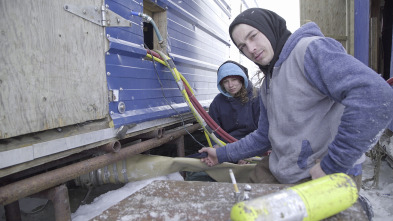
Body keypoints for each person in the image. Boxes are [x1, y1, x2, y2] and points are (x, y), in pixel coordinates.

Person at [199, 8, 393, 190]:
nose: (251, 48)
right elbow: (264, 135)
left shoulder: (310, 51)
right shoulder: (269, 81)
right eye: (243, 46)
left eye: (253, 36)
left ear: (268, 28)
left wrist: (334, 163)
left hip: (322, 176)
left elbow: (375, 96)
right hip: (283, 169)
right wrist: (221, 154)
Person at [185, 61, 260, 182]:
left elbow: (263, 132)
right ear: (221, 84)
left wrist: (248, 153)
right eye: (226, 81)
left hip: (253, 147)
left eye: (234, 79)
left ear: (242, 79)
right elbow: (214, 133)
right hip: (226, 147)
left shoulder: (257, 97)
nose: (231, 85)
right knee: (196, 166)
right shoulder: (218, 102)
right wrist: (217, 149)